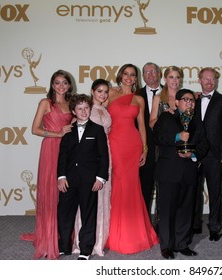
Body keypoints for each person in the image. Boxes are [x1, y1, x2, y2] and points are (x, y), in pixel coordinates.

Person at [20, 70, 74, 260]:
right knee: (51, 192)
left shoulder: (71, 103)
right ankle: (48, 237)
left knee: (65, 195)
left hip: (67, 151)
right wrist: (57, 134)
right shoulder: (46, 103)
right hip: (51, 149)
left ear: (69, 85)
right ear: (52, 85)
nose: (61, 86)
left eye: (64, 83)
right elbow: (35, 129)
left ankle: (63, 235)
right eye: (57, 83)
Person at [105, 63, 158, 254]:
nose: (129, 77)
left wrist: (144, 149)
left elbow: (142, 126)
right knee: (117, 186)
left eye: (133, 75)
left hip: (133, 146)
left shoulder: (139, 99)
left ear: (137, 79)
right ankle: (113, 231)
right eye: (126, 74)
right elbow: (97, 113)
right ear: (120, 76)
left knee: (131, 187)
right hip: (115, 145)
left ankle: (132, 232)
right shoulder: (110, 93)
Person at [153, 89, 209, 259]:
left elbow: (204, 145)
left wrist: (192, 154)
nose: (190, 102)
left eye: (192, 100)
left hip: (189, 172)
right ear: (176, 102)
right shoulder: (165, 117)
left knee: (186, 210)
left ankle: (182, 244)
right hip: (169, 172)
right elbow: (158, 137)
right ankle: (167, 246)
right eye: (185, 99)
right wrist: (177, 136)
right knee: (167, 212)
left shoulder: (197, 121)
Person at [57, 94, 109, 260]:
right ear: (73, 111)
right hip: (69, 179)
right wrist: (61, 176)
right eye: (79, 108)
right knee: (64, 213)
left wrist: (100, 178)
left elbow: (104, 156)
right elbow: (62, 156)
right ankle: (64, 246)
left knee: (88, 214)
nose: (84, 111)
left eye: (86, 107)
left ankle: (85, 250)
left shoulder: (97, 129)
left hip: (89, 180)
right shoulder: (67, 130)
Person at [72, 79, 112, 256]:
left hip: (106, 156)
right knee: (87, 201)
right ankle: (84, 243)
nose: (103, 95)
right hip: (89, 162)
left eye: (105, 92)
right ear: (92, 91)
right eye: (99, 91)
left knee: (102, 199)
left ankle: (99, 240)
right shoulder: (85, 110)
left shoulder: (104, 109)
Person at [193, 67, 222, 241]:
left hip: (214, 155)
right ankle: (194, 224)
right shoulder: (192, 99)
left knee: (215, 192)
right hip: (194, 154)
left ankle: (215, 227)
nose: (209, 82)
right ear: (199, 80)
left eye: (212, 79)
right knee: (193, 191)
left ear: (216, 81)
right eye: (205, 79)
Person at [138, 62, 162, 217]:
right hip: (144, 149)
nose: (151, 74)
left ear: (159, 73)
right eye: (147, 72)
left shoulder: (171, 93)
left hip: (166, 149)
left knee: (165, 189)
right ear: (143, 76)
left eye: (153, 71)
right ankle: (145, 223)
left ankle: (163, 224)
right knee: (144, 188)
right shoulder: (136, 95)